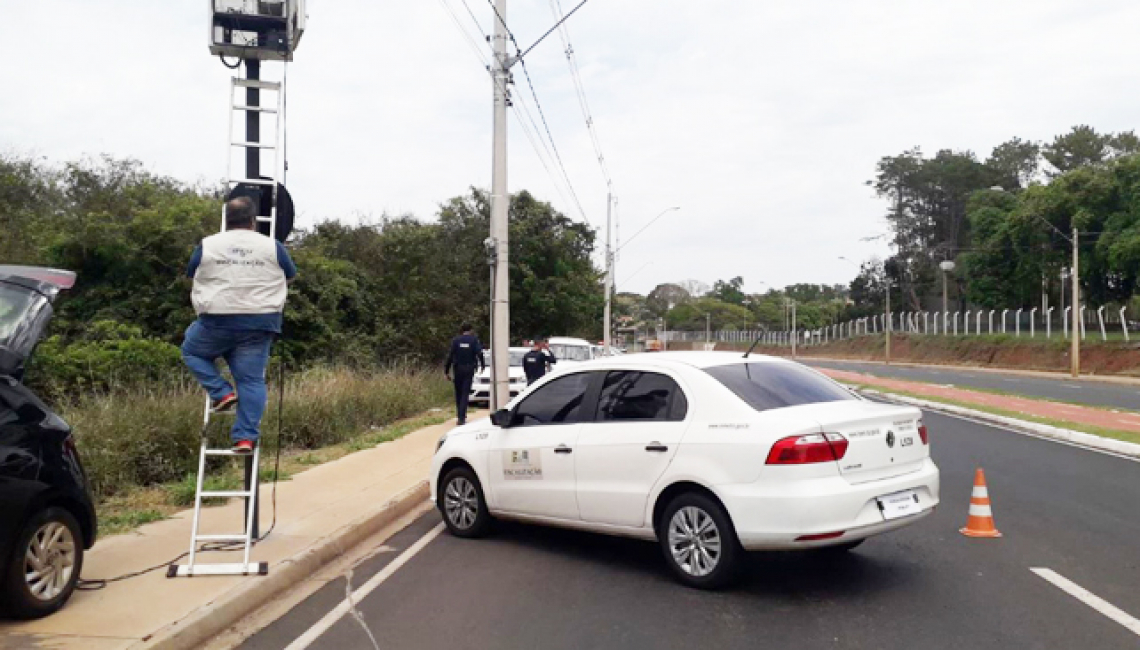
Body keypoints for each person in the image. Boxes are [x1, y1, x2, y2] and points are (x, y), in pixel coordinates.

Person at [181, 196, 297, 454]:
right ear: (253, 221)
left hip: (217, 319)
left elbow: (192, 273)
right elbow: (290, 275)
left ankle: (221, 393)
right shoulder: (272, 246)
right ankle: (244, 438)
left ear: (226, 219)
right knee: (251, 381)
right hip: (260, 320)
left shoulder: (208, 245)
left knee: (192, 351)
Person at [445, 323, 485, 425]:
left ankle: (460, 415)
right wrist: (482, 365)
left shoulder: (456, 340)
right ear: (471, 330)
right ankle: (462, 417)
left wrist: (446, 371)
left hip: (458, 369)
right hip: (469, 369)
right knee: (465, 393)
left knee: (458, 392)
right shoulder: (474, 340)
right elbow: (479, 353)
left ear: (461, 330)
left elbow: (450, 356)